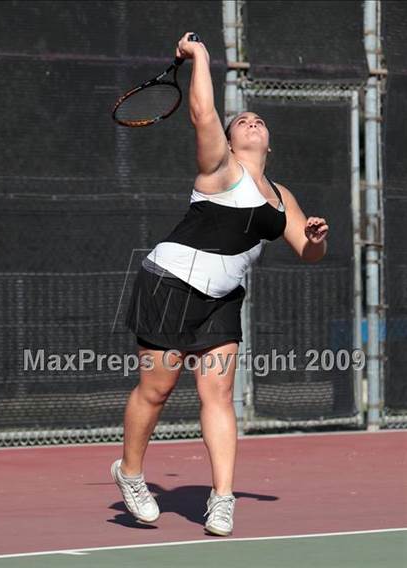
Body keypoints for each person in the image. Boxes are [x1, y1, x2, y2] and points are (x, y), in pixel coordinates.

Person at [111, 32, 329, 537]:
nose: (250, 121)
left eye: (259, 120)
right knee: (157, 389)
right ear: (230, 140)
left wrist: (316, 236)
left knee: (219, 394)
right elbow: (204, 115)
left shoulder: (281, 196)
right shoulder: (218, 168)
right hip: (169, 284)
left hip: (222, 300)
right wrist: (202, 58)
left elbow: (308, 252)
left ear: (268, 142)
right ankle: (131, 473)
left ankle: (223, 497)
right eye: (241, 121)